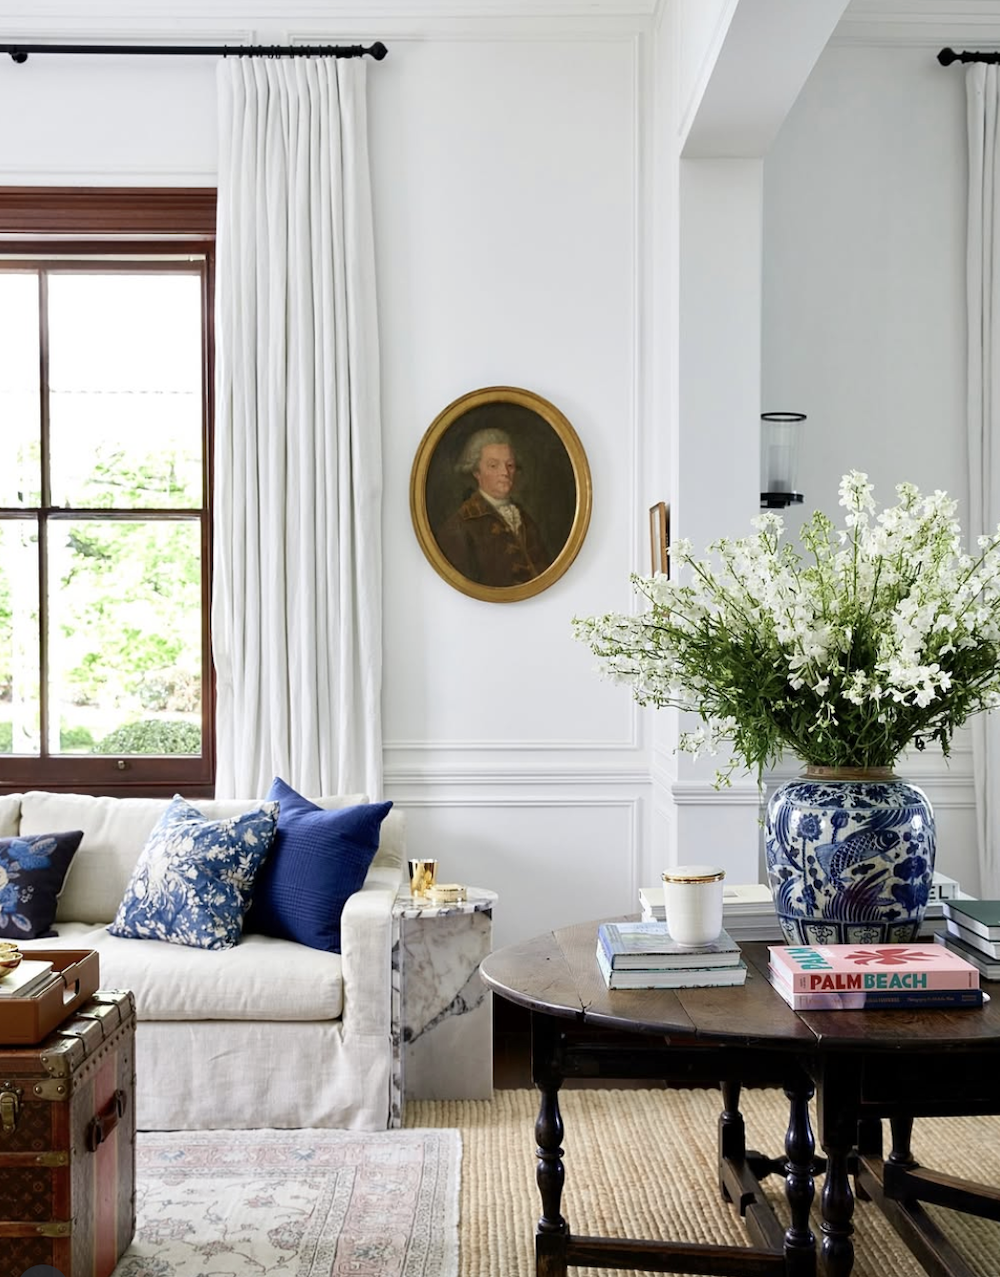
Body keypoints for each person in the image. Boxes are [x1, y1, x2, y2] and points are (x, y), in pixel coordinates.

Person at [435, 428, 553, 587]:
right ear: (476, 471)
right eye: (493, 465)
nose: (505, 472)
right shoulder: (460, 527)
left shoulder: (525, 519)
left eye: (510, 465)